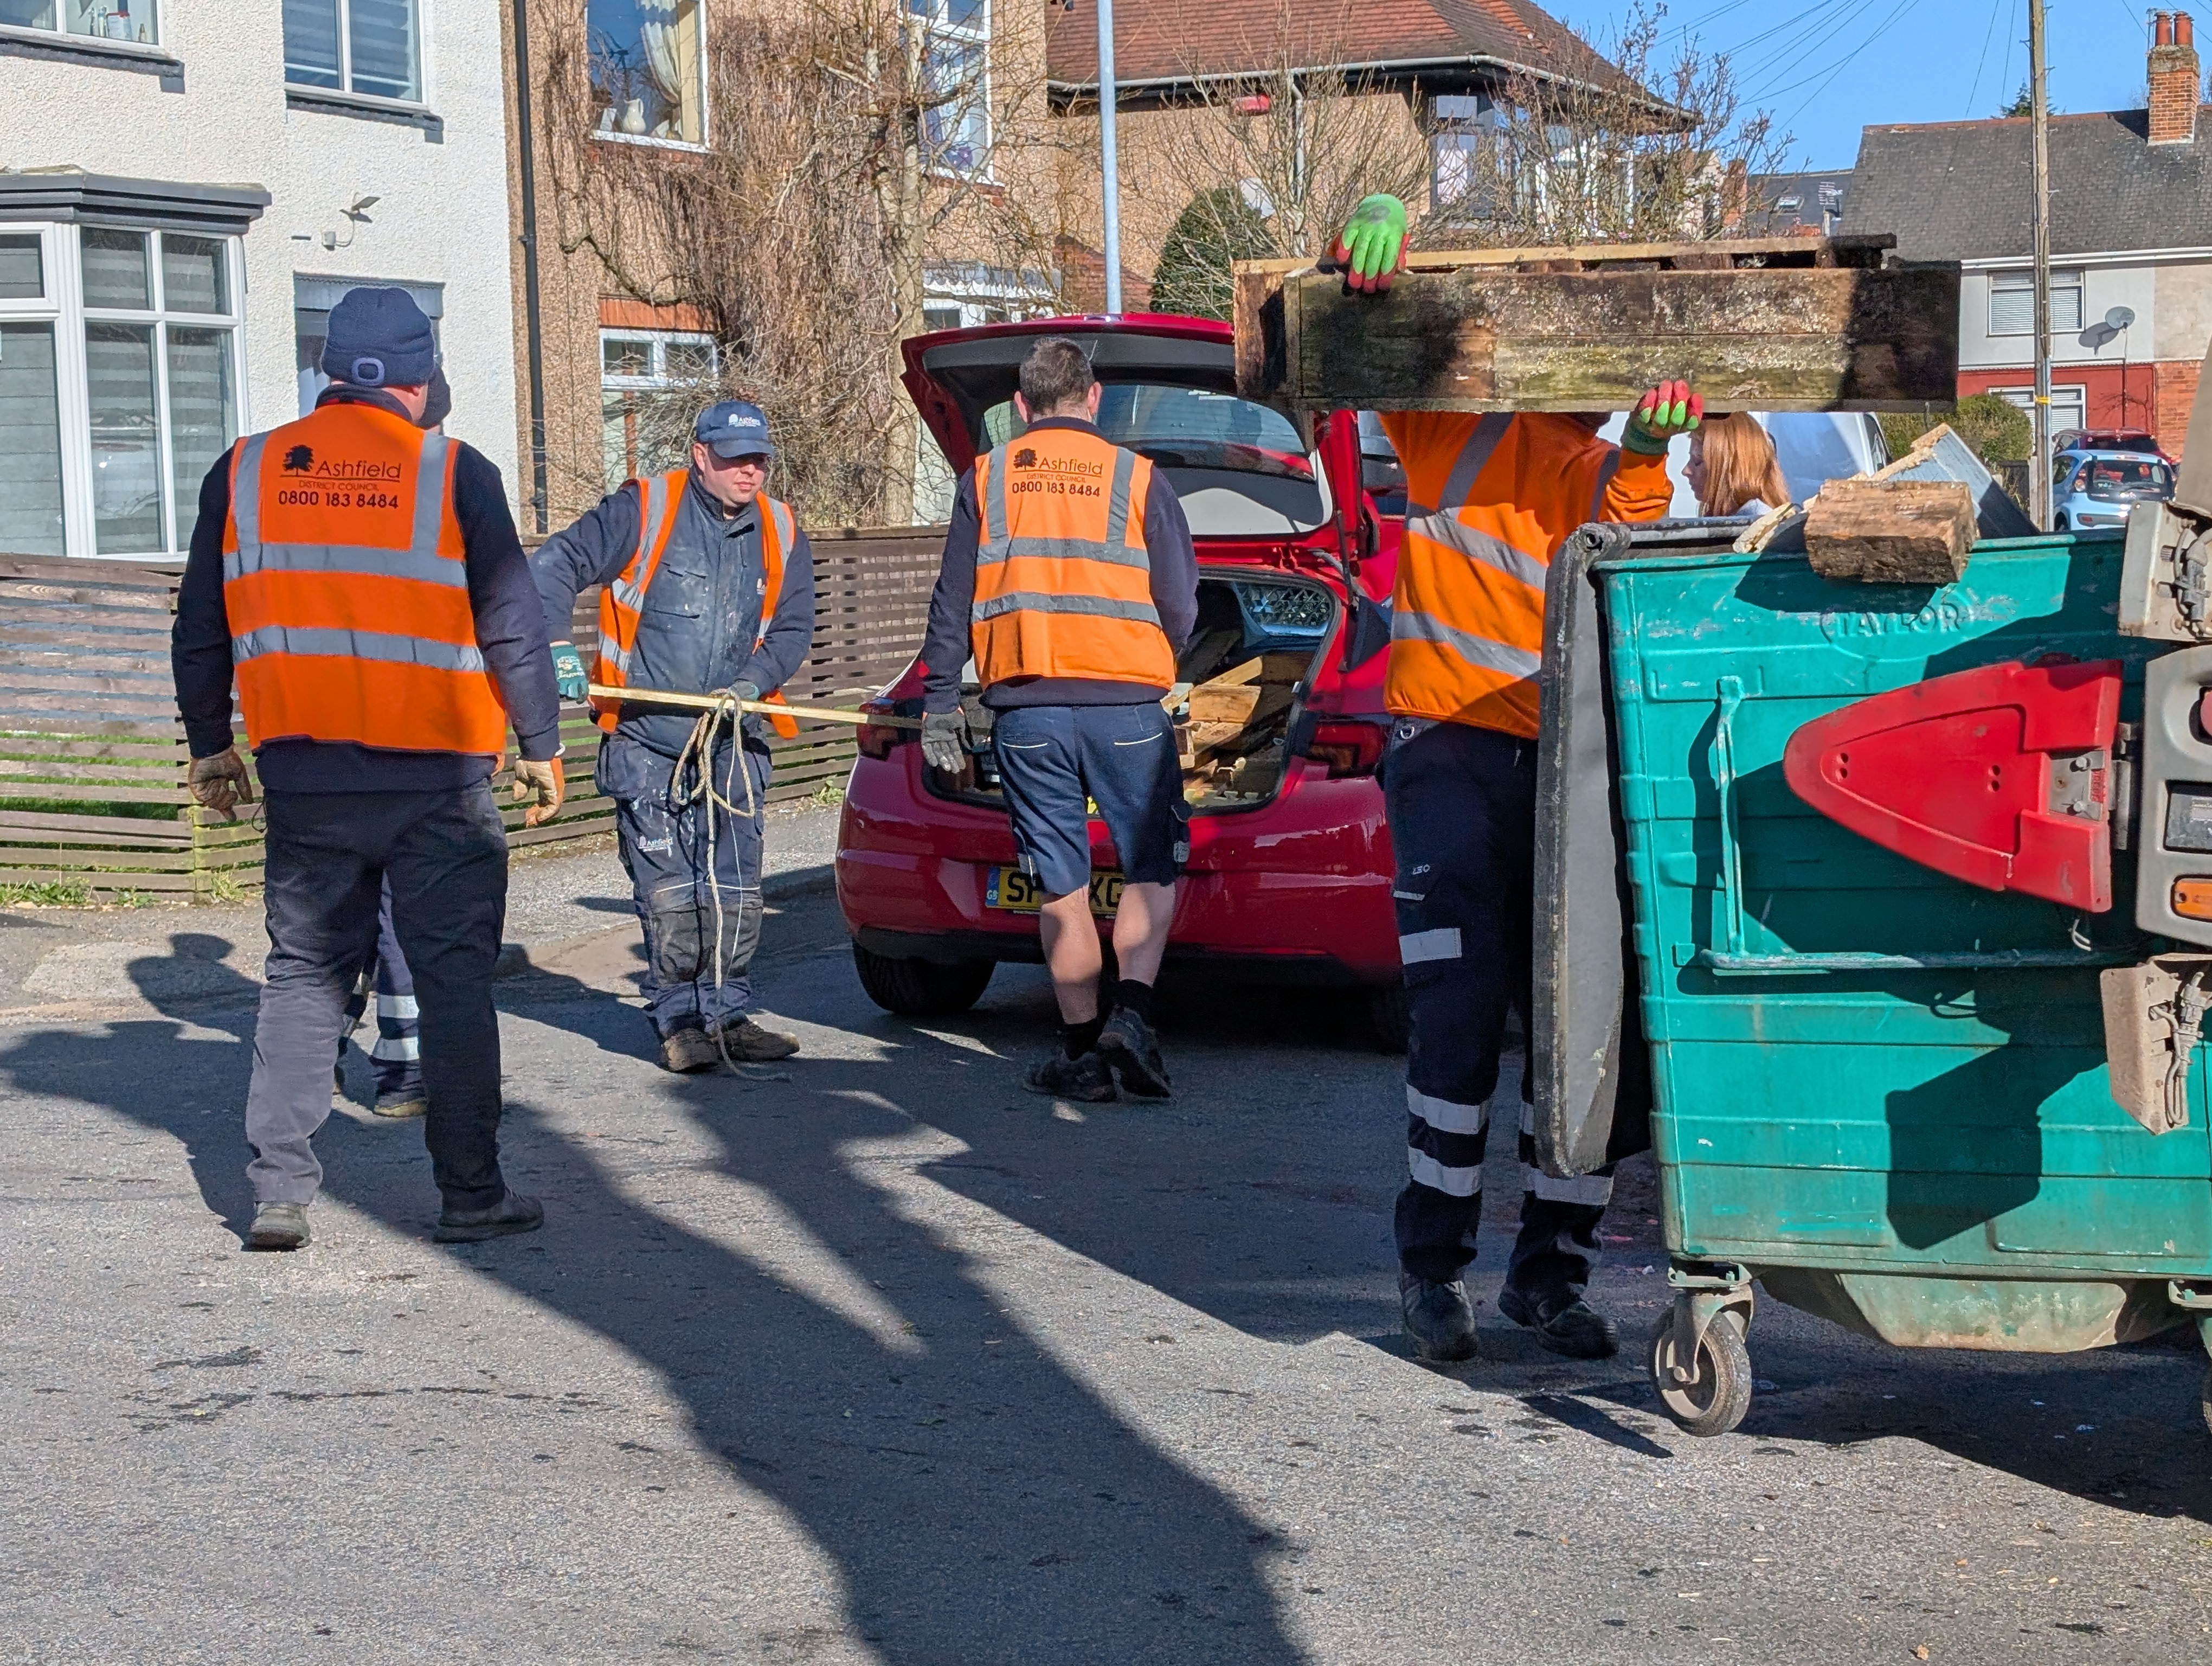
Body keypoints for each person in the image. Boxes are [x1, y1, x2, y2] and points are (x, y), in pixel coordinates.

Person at [1332, 193, 1702, 1362]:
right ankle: (1431, 1272)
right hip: (1446, 746)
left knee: (1583, 1027)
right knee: (1454, 1021)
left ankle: (1550, 1275)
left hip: (1568, 771)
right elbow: (1363, 325)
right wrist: (1368, 233)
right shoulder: (1455, 432)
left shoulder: (1613, 471)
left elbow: (1631, 530)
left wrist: (1645, 454)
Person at [171, 286, 566, 1252]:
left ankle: (279, 1191)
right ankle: (471, 1194)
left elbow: (200, 625)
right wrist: (543, 745)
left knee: (304, 974)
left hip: (307, 775)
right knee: (454, 983)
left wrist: (209, 744)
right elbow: (512, 623)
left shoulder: (247, 471)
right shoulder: (454, 473)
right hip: (438, 781)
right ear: (422, 377)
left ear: (330, 372)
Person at [915, 336, 1199, 1102]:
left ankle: (1082, 1051)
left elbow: (952, 604)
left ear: (1018, 408)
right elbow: (1179, 599)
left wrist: (940, 701)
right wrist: (1156, 656)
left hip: (1027, 712)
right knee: (1148, 866)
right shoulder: (1139, 478)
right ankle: (1130, 1018)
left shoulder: (987, 476)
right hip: (1129, 710)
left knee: (1061, 887)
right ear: (1094, 398)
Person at [531, 401, 816, 1073]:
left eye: (759, 459)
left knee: (738, 891)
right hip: (647, 743)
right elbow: (553, 566)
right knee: (672, 893)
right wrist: (555, 650)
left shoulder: (779, 527)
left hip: (733, 744)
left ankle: (730, 1015)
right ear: (700, 455)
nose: (750, 471)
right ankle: (682, 1021)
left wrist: (753, 682)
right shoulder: (645, 509)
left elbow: (793, 628)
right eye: (734, 458)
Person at [1687, 412, 1790, 518]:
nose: (1686, 471)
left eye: (1697, 461)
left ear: (1730, 467)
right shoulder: (1737, 519)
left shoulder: (1758, 522)